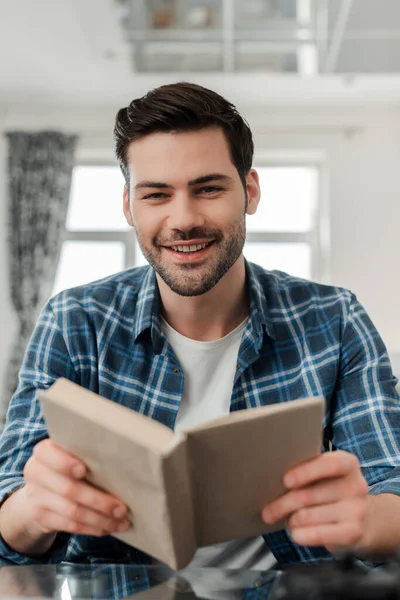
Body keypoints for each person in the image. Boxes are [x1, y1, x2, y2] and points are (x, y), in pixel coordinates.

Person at [0, 82, 399, 573]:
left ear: (249, 191)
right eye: (157, 194)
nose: (183, 219)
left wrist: (364, 519)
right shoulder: (74, 319)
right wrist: (34, 509)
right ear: (129, 206)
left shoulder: (334, 319)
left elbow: (391, 490)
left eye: (208, 188)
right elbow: (10, 514)